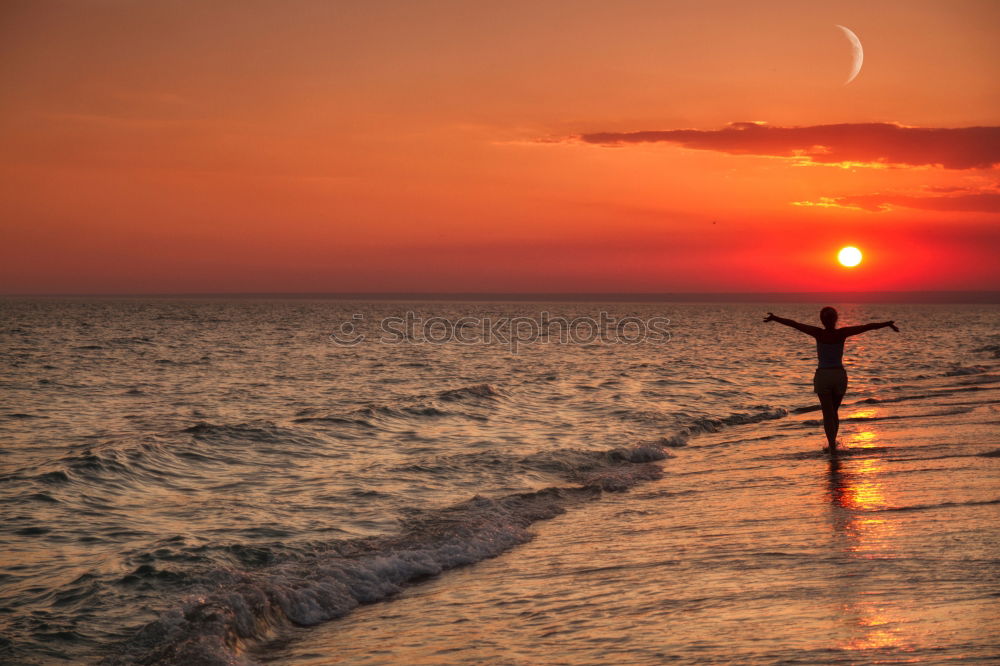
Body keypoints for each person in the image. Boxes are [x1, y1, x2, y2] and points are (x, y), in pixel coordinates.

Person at [763, 307, 899, 453]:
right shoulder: (842, 333)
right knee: (834, 412)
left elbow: (794, 324)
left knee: (827, 413)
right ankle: (833, 445)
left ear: (822, 320)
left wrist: (775, 318)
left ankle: (832, 446)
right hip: (839, 376)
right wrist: (887, 324)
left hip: (823, 376)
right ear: (836, 319)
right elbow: (867, 327)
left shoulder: (818, 333)